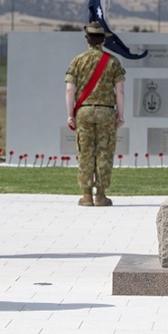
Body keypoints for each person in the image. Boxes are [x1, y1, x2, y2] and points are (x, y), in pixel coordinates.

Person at [64, 22, 126, 207]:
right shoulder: (113, 62)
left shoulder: (77, 61)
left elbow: (69, 90)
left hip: (84, 111)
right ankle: (100, 195)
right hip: (107, 111)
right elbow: (120, 91)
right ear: (103, 40)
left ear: (87, 39)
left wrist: (70, 115)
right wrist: (121, 115)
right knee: (104, 152)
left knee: (85, 153)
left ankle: (86, 195)